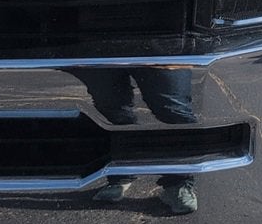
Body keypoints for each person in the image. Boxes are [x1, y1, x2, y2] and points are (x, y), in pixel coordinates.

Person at [76, 66, 198, 214]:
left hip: (162, 53)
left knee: (175, 111)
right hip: (102, 53)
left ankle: (179, 184)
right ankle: (122, 172)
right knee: (113, 109)